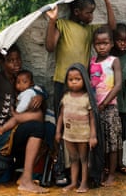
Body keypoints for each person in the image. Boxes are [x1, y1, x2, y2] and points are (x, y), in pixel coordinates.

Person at [0, 44, 49, 193]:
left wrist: (40, 96)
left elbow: (37, 93)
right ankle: (25, 180)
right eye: (10, 60)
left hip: (5, 133)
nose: (16, 63)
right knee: (36, 127)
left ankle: (24, 175)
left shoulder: (20, 81)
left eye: (18, 59)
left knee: (44, 127)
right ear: (2, 63)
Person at [45, 0, 116, 119]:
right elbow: (50, 47)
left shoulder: (89, 30)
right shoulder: (62, 24)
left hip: (83, 82)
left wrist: (107, 1)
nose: (91, 16)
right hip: (62, 82)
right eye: (89, 13)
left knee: (80, 119)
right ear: (77, 12)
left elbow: (111, 28)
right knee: (62, 119)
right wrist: (52, 21)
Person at [55, 63, 98, 193]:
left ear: (84, 80)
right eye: (71, 79)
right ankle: (73, 182)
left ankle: (84, 183)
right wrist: (58, 131)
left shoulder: (87, 98)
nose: (74, 82)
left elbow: (92, 118)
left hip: (83, 135)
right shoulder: (66, 97)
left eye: (77, 79)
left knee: (84, 160)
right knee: (73, 159)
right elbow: (61, 115)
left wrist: (93, 136)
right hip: (69, 135)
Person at [90, 26, 122, 186]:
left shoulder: (113, 61)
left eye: (105, 43)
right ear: (94, 45)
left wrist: (103, 103)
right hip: (95, 110)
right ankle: (101, 171)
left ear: (111, 44)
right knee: (100, 143)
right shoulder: (91, 62)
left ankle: (111, 175)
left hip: (109, 108)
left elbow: (117, 86)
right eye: (98, 43)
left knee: (112, 143)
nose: (101, 46)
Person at [110, 23, 126, 174]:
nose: (123, 43)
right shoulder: (109, 55)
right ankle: (110, 165)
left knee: (121, 135)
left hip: (123, 104)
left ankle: (119, 163)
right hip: (110, 103)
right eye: (120, 40)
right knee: (110, 135)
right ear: (113, 40)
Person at [0, 69, 45, 135]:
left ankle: (2, 129)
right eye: (18, 82)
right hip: (30, 116)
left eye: (25, 82)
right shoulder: (27, 92)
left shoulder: (28, 92)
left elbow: (23, 105)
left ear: (31, 83)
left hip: (30, 115)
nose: (21, 85)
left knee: (15, 119)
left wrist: (15, 112)